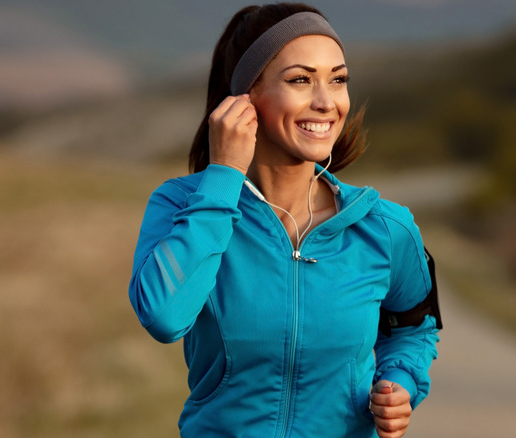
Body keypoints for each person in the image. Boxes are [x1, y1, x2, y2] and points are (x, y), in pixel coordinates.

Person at [128, 3, 442, 437]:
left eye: (338, 79)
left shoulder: (385, 227)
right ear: (243, 98)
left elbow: (415, 327)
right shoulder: (182, 204)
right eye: (300, 80)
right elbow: (164, 317)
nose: (326, 102)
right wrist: (222, 178)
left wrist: (400, 382)